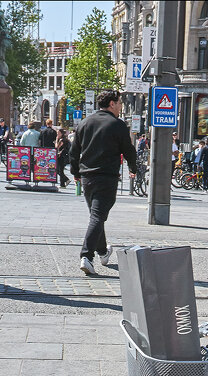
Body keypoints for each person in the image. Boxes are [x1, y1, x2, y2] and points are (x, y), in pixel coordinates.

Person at [69, 89, 137, 275]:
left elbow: (74, 151)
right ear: (112, 104)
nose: (121, 106)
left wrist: (75, 172)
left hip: (87, 178)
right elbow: (129, 150)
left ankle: (103, 251)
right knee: (98, 217)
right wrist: (133, 168)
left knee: (95, 216)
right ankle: (86, 255)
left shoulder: (85, 122)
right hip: (106, 177)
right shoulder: (117, 125)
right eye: (120, 102)